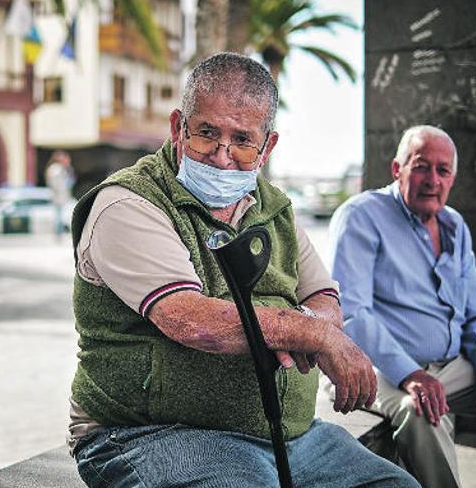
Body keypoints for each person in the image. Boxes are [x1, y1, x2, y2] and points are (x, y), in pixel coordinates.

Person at [66, 52, 418, 487]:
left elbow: (324, 297)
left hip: (290, 437)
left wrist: (312, 324)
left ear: (267, 147)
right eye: (206, 133)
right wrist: (310, 334)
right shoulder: (127, 203)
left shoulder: (275, 207)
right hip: (146, 434)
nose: (221, 155)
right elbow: (191, 320)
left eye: (242, 140)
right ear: (179, 127)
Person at [328, 124, 476, 488]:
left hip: (452, 368)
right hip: (378, 369)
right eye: (421, 166)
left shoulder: (455, 225)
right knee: (423, 412)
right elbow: (352, 312)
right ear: (398, 169)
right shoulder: (361, 216)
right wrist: (411, 374)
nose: (432, 180)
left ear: (452, 178)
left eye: (443, 171)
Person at [45, 150, 75, 236]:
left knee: (61, 213)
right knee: (59, 214)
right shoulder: (55, 169)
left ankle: (60, 231)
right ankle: (58, 232)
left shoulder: (62, 168)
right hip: (58, 196)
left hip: (62, 195)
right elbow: (56, 184)